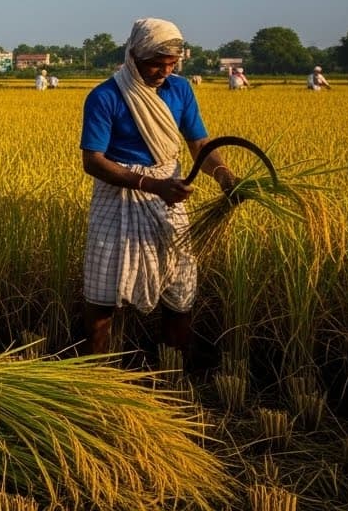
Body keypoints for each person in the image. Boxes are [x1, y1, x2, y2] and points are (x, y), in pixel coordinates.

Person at [78, 18, 237, 362]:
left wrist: (224, 176)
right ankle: (92, 373)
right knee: (104, 292)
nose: (163, 71)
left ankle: (173, 370)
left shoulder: (180, 90)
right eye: (155, 63)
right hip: (118, 199)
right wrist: (151, 185)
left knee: (179, 285)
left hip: (168, 197)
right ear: (133, 55)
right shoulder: (106, 96)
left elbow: (199, 143)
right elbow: (93, 161)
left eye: (171, 64)